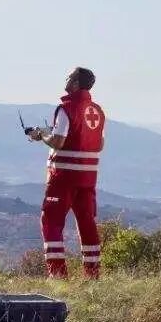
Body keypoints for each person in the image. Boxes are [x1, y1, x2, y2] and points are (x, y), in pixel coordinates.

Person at [28, 66, 105, 278]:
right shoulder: (97, 111)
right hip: (88, 178)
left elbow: (58, 142)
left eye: (69, 77)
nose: (67, 79)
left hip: (63, 177)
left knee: (51, 221)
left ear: (76, 83)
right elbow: (99, 144)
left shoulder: (66, 108)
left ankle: (58, 274)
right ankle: (93, 274)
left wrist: (42, 136)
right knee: (87, 222)